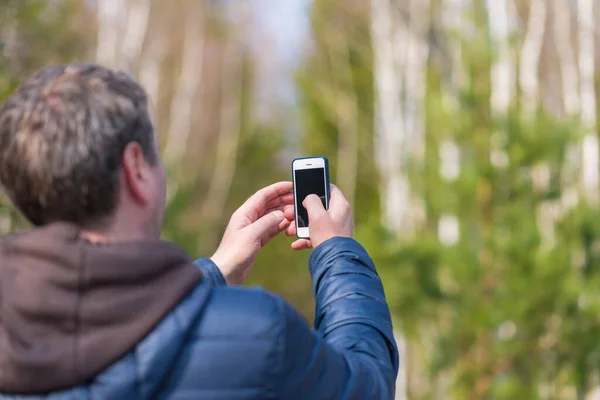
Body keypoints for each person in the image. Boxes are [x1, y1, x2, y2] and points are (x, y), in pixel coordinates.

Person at [0, 64, 399, 399]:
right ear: (136, 167)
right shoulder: (259, 337)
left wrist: (215, 272)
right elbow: (366, 386)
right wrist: (339, 253)